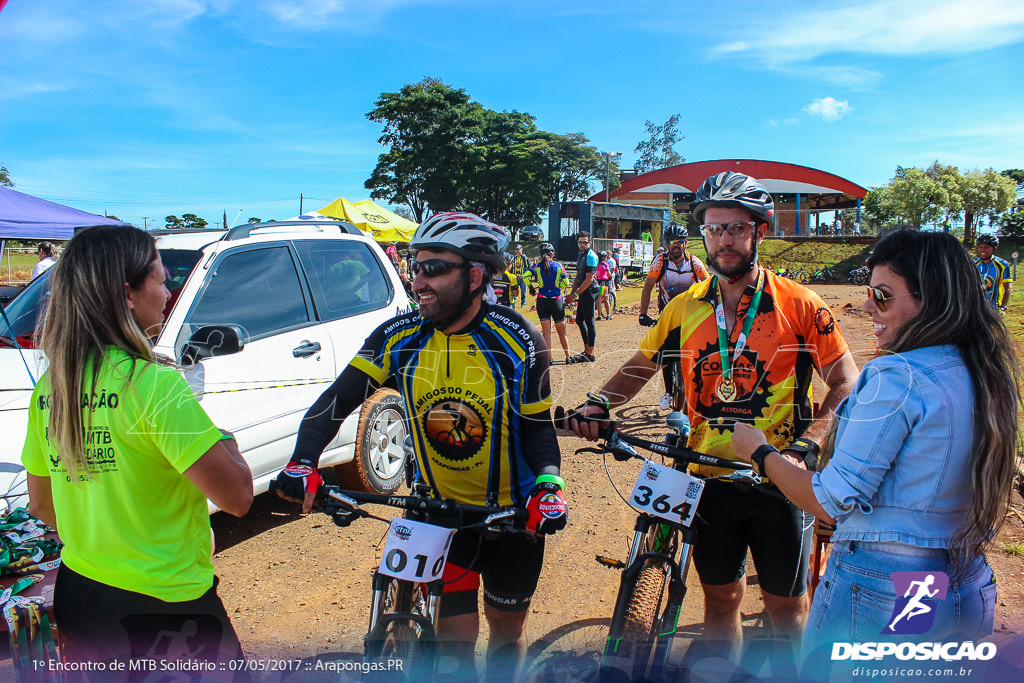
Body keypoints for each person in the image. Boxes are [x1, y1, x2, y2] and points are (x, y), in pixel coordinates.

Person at [566, 171, 858, 656]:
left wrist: (810, 444)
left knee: (788, 611)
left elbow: (847, 381)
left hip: (778, 479)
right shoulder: (683, 307)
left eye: (736, 228)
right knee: (720, 604)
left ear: (759, 231)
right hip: (707, 478)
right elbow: (639, 367)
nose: (724, 239)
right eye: (714, 228)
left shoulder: (800, 303)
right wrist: (598, 402)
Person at [271, 212, 567, 679]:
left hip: (512, 517)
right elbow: (336, 402)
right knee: (453, 644)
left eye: (433, 268)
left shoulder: (519, 338)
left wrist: (549, 483)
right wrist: (303, 461)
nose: (417, 279)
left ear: (474, 275)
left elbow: (536, 426)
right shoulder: (398, 336)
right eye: (414, 265)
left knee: (506, 635)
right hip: (437, 515)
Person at [731, 229, 1017, 658]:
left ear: (931, 299)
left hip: (889, 585)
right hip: (966, 580)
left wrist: (761, 452)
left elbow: (830, 500)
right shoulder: (985, 370)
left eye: (882, 296)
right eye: (870, 293)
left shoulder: (896, 376)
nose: (867, 307)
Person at [21, 225, 253, 675]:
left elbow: (42, 504)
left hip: (81, 593)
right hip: (164, 606)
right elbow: (238, 497)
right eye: (160, 280)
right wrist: (226, 440)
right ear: (127, 293)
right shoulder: (155, 385)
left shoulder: (53, 386)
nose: (167, 293)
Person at [638, 224, 710, 410]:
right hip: (668, 313)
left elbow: (709, 286)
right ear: (667, 244)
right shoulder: (660, 262)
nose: (675, 245)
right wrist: (643, 314)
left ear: (685, 243)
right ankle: (669, 392)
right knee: (666, 352)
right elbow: (647, 288)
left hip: (692, 313)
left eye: (678, 242)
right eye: (671, 242)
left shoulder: (695, 263)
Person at [523, 242, 572, 364]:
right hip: (556, 300)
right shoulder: (559, 266)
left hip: (542, 300)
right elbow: (566, 282)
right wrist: (557, 286)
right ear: (552, 254)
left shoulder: (536, 266)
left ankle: (549, 359)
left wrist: (532, 288)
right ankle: (568, 356)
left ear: (541, 254)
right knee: (562, 331)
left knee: (546, 333)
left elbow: (525, 276)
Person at [565, 232, 599, 363]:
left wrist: (575, 294)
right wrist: (572, 293)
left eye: (584, 242)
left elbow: (589, 279)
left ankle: (590, 353)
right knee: (579, 320)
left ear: (590, 243)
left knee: (589, 321)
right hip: (582, 290)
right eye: (580, 242)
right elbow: (578, 277)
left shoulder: (591, 256)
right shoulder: (581, 255)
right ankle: (586, 350)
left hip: (590, 290)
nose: (582, 244)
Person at [973, 233, 1012, 310]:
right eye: (980, 247)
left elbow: (1008, 288)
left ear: (994, 248)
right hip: (975, 309)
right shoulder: (972, 264)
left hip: (994, 309)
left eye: (986, 247)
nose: (982, 250)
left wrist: (1003, 306)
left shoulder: (1002, 265)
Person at [507, 244, 530, 309]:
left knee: (523, 291)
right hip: (516, 277)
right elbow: (511, 267)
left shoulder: (524, 258)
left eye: (518, 249)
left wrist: (525, 275)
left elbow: (529, 267)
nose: (517, 251)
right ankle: (513, 303)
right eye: (516, 249)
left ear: (521, 249)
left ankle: (523, 303)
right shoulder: (514, 258)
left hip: (523, 277)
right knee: (514, 290)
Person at [594, 251, 613, 320]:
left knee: (599, 300)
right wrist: (610, 277)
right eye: (605, 257)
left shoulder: (596, 264)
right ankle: (608, 315)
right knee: (606, 299)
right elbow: (609, 273)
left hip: (597, 282)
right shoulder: (605, 264)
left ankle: (599, 315)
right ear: (602, 257)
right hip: (603, 282)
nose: (606, 258)